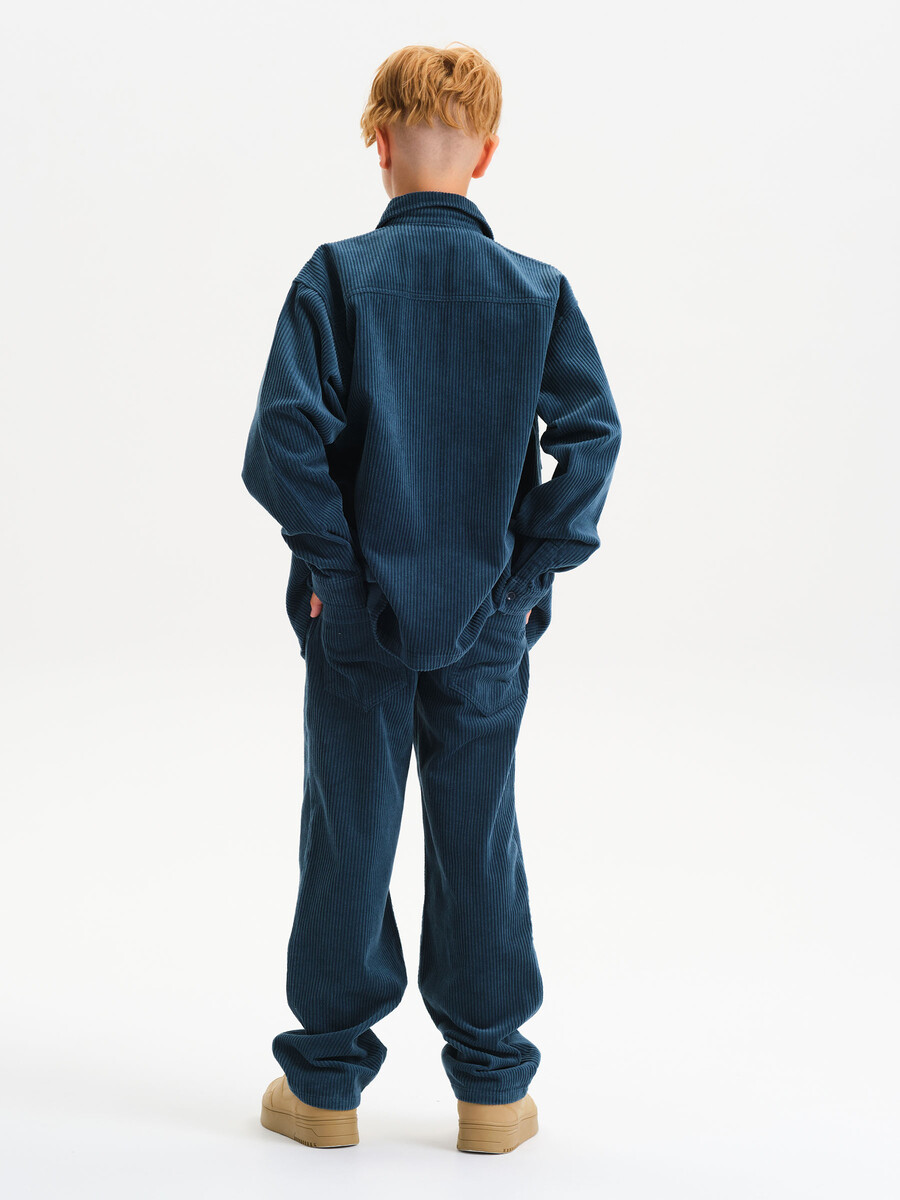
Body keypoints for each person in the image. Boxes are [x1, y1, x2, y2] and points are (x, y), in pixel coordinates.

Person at [242, 41, 622, 1154]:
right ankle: (493, 1090)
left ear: (378, 143)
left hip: (354, 619)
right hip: (487, 622)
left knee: (348, 836)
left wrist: (337, 572)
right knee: (478, 838)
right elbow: (593, 440)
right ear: (487, 155)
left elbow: (283, 442)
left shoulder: (336, 277)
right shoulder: (537, 292)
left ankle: (325, 1087)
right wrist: (524, 580)